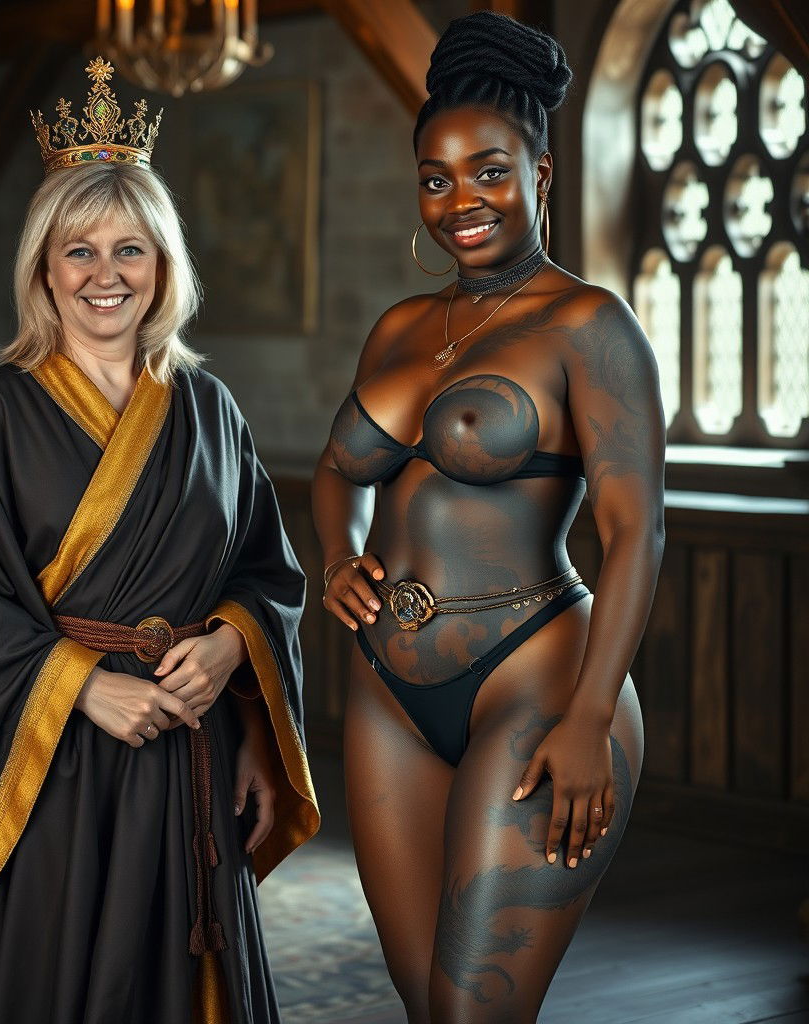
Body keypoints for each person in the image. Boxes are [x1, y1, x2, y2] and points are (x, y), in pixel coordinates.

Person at [0, 58, 318, 1024]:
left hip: (193, 746)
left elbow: (265, 567)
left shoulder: (212, 410)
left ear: (164, 268)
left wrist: (233, 660)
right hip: (57, 764)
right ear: (43, 270)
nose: (106, 276)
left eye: (130, 250)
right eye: (79, 251)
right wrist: (84, 688)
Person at [312, 12, 663, 1022]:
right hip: (389, 689)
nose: (459, 199)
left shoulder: (588, 325)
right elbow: (340, 470)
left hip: (538, 679)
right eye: (435, 177)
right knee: (428, 1003)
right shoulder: (398, 327)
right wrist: (336, 556)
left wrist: (591, 716)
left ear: (540, 176)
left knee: (478, 1012)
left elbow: (637, 530)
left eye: (488, 171)